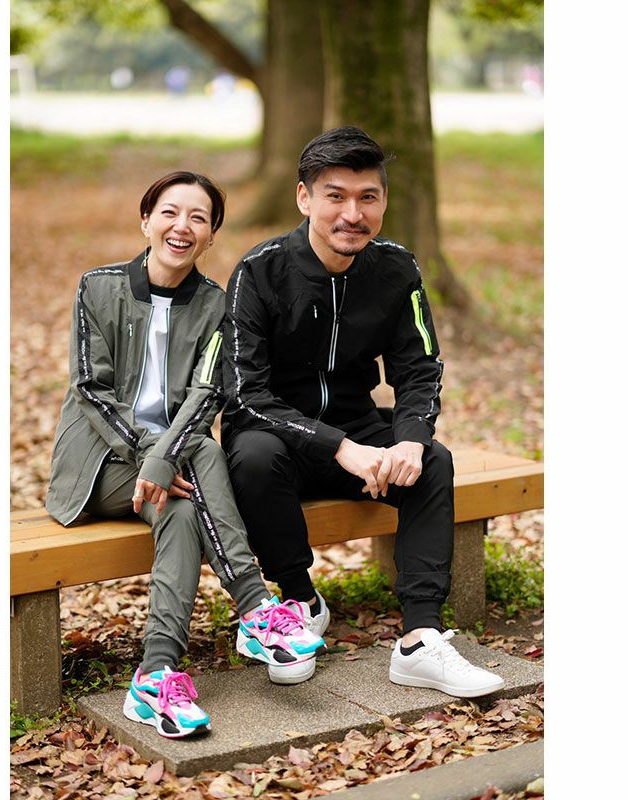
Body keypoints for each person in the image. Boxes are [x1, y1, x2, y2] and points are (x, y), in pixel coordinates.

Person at [221, 127, 504, 698]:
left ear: (383, 201)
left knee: (434, 461)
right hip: (279, 439)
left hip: (358, 423)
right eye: (336, 196)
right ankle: (298, 603)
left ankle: (420, 638)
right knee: (252, 454)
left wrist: (410, 440)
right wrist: (340, 448)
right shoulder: (260, 270)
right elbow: (245, 394)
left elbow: (419, 368)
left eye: (367, 197)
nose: (353, 214)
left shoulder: (397, 269)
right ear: (304, 198)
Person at [46, 171, 324, 739]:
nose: (183, 226)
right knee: (203, 452)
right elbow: (92, 390)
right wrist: (153, 454)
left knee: (180, 507)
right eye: (170, 212)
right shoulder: (98, 287)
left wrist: (164, 459)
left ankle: (155, 675)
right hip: (99, 466)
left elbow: (207, 394)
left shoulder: (216, 305)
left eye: (199, 217)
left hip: (171, 472)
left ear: (211, 235)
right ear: (146, 220)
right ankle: (254, 605)